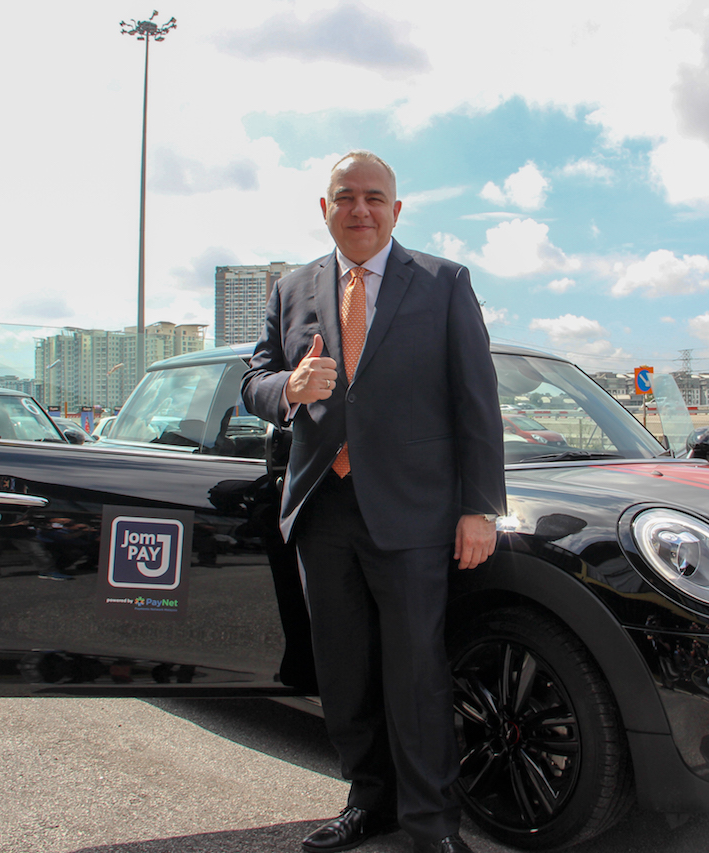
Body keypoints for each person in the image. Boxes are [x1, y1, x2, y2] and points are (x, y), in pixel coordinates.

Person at [241, 151, 505, 853]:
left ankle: (431, 823)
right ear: (323, 208)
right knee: (344, 670)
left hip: (414, 514)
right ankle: (369, 801)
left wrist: (480, 506)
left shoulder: (444, 284)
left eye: (374, 197)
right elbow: (254, 381)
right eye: (345, 196)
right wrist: (289, 389)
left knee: (416, 673)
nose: (360, 209)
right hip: (323, 509)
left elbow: (476, 400)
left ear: (396, 209)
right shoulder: (291, 288)